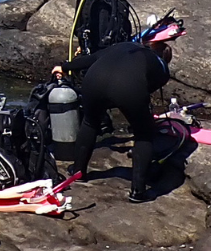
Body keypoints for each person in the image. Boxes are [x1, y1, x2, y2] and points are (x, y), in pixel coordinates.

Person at [51, 18, 185, 203]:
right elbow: (144, 92)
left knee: (90, 122)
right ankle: (138, 192)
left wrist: (64, 67)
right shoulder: (162, 68)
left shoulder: (123, 45)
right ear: (165, 58)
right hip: (127, 87)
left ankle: (79, 171)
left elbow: (91, 59)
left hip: (94, 80)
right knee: (144, 134)